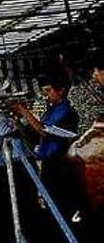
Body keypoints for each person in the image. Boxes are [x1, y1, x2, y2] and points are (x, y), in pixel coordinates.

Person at [11, 74, 80, 223]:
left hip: (60, 163)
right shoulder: (50, 110)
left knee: (60, 203)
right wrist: (17, 122)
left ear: (61, 91)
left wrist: (24, 111)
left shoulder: (67, 112)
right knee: (48, 202)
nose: (46, 95)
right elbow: (35, 134)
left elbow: (44, 130)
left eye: (49, 91)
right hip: (47, 163)